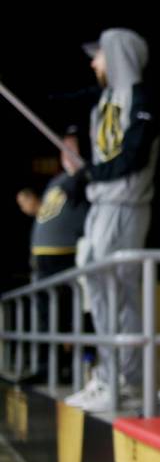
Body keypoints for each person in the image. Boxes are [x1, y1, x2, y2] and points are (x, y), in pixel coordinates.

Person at [63, 28, 158, 412]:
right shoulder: (101, 102)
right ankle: (107, 375)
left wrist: (93, 175)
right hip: (100, 209)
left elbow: (132, 155)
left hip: (125, 207)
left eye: (99, 55)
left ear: (117, 54)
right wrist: (84, 177)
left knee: (121, 294)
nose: (94, 62)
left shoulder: (140, 98)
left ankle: (127, 380)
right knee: (99, 294)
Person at [16, 129, 89, 380]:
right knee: (46, 316)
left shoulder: (85, 177)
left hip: (64, 255)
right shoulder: (56, 181)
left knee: (65, 315)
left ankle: (66, 366)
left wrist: (82, 174)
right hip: (43, 258)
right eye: (63, 147)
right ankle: (48, 366)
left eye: (72, 147)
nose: (67, 152)